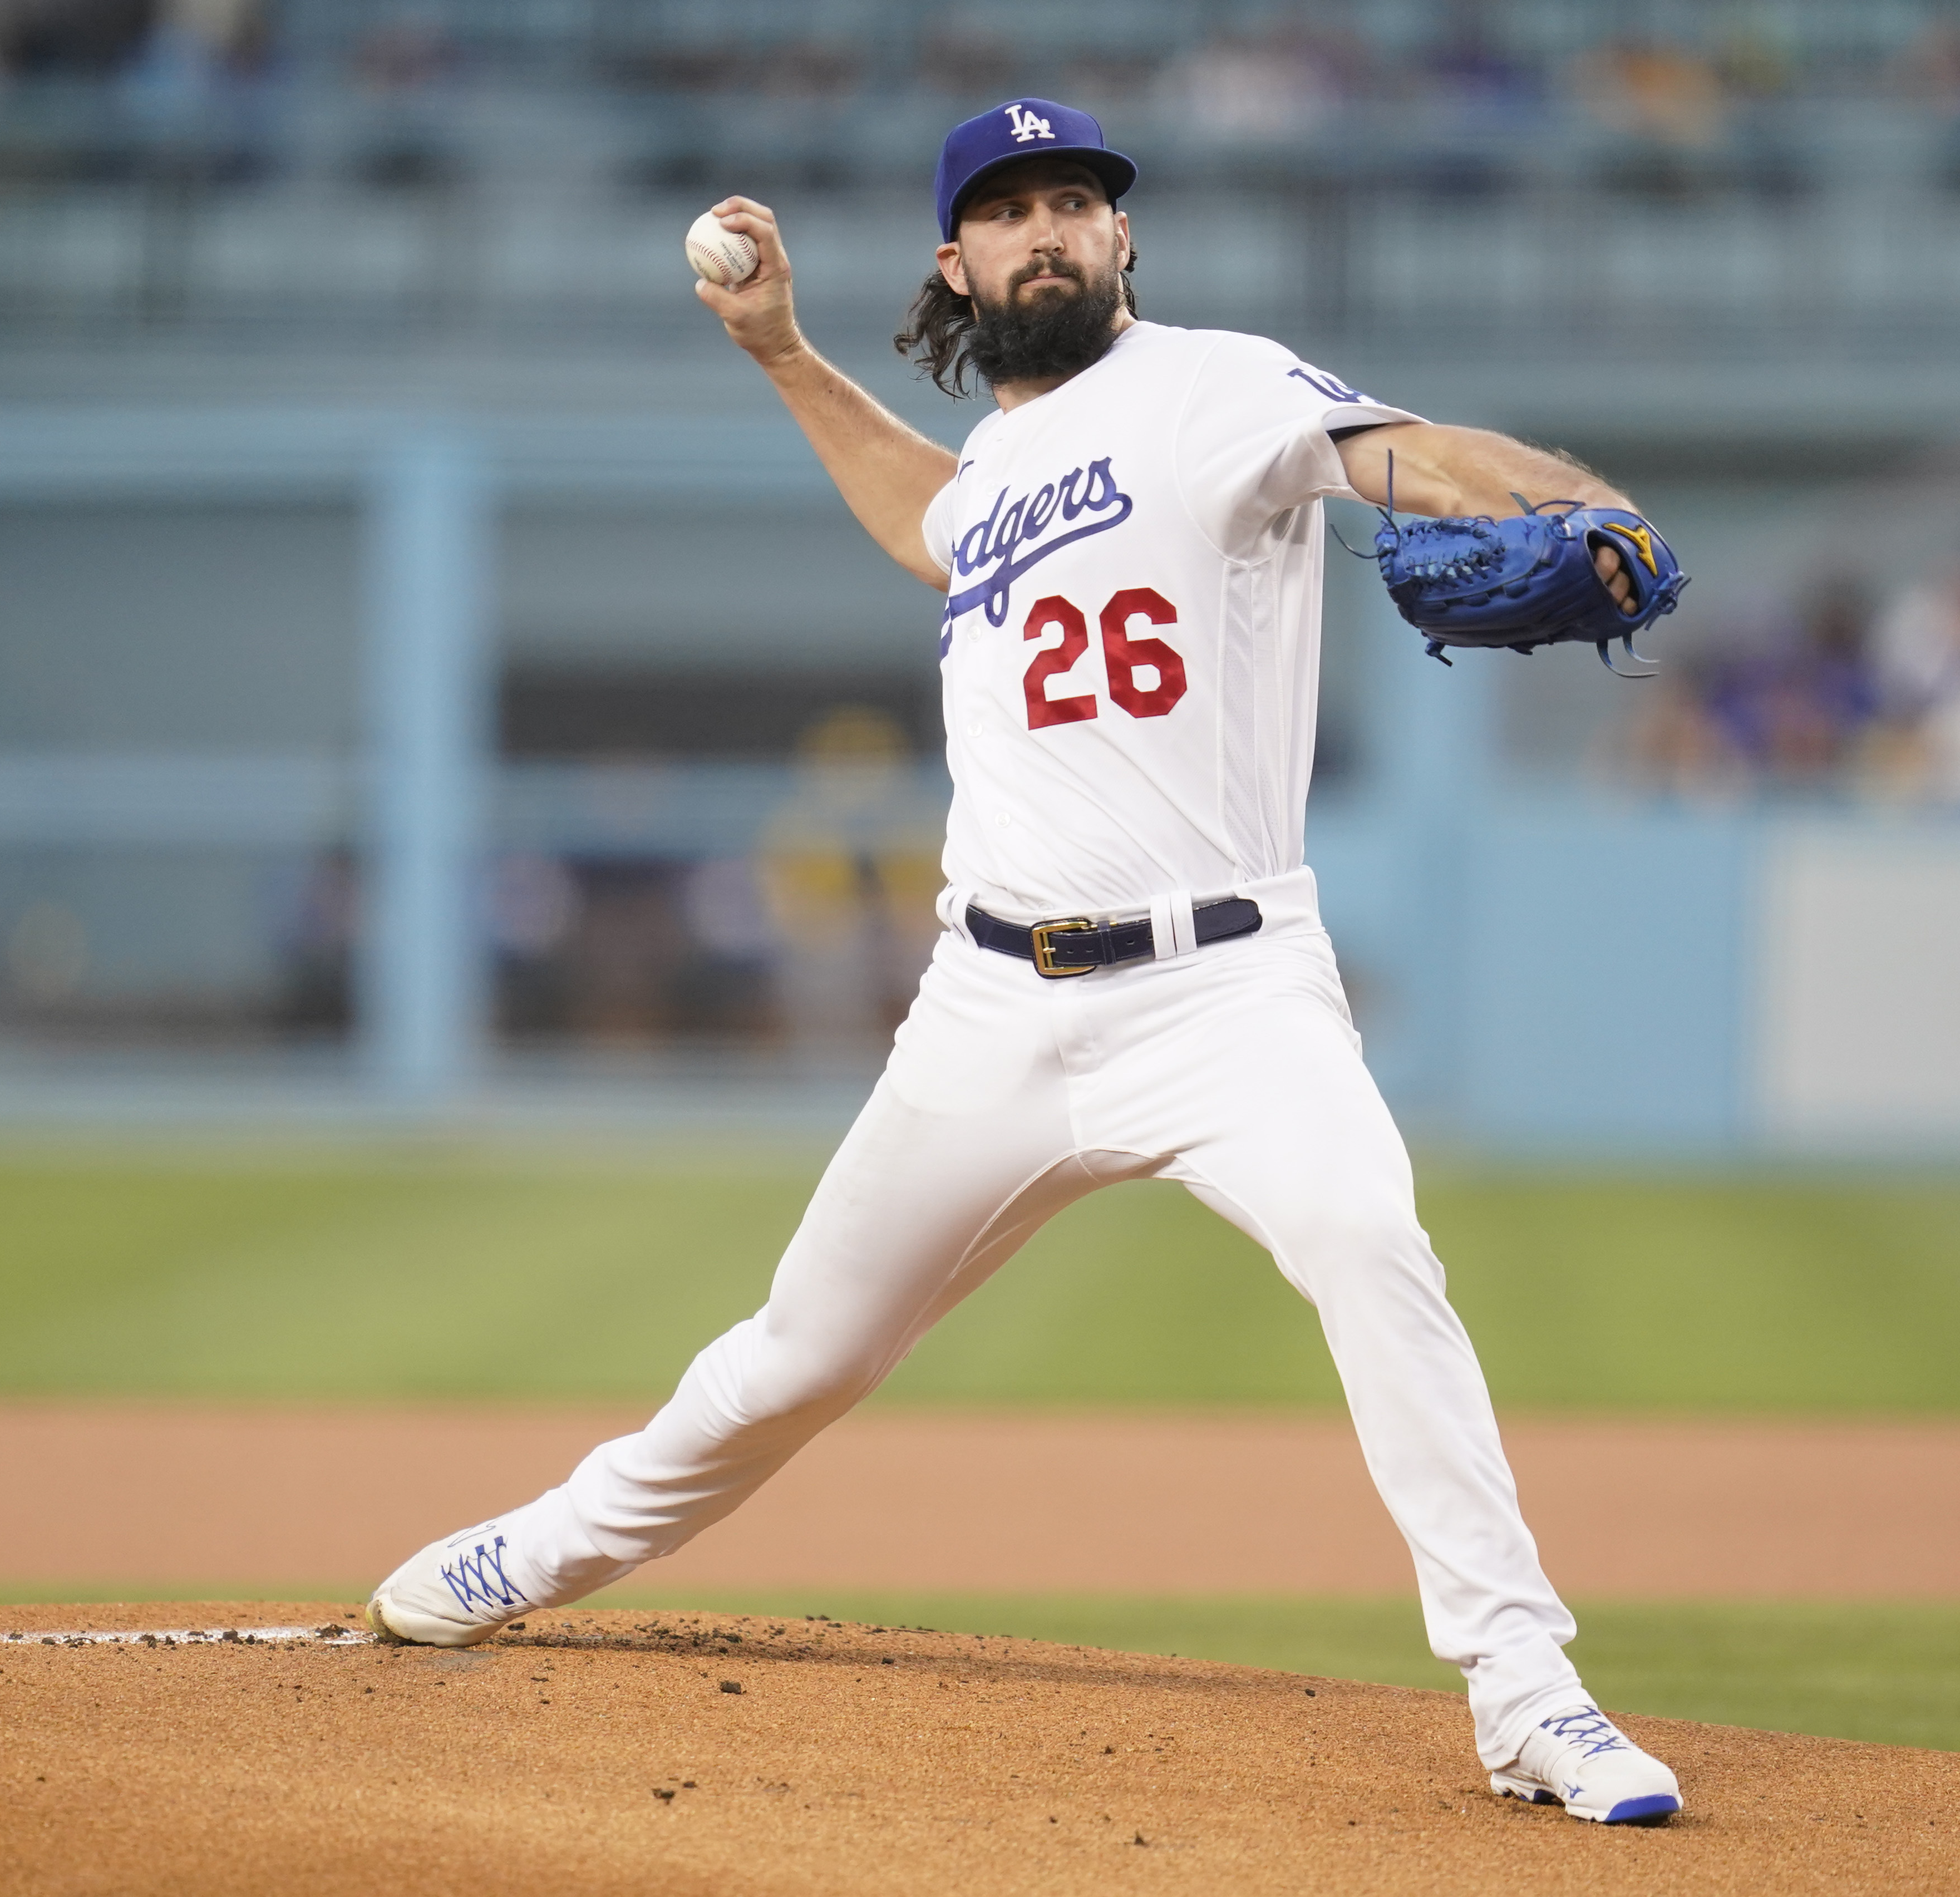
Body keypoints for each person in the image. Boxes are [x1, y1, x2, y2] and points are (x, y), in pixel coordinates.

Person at [366, 97, 1683, 1826]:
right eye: (1010, 209)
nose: (1048, 228)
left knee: (1371, 1243)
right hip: (989, 1004)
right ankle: (540, 1547)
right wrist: (780, 356)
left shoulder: (1220, 384)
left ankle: (1528, 1693)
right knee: (800, 1357)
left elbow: (1411, 457)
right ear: (956, 261)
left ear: (1121, 241)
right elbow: (930, 521)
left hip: (1227, 990)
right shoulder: (993, 470)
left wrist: (1572, 501)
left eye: (1077, 201)